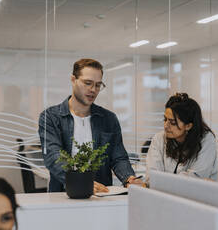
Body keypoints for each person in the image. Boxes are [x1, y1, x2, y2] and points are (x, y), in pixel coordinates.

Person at [38, 58, 144, 192]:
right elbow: (54, 158)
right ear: (73, 80)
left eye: (98, 85)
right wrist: (81, 182)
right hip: (63, 194)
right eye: (88, 83)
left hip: (101, 195)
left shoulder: (108, 119)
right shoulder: (51, 117)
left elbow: (118, 157)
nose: (93, 90)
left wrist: (129, 178)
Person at [146, 93, 218, 184]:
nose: (165, 126)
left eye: (172, 122)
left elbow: (195, 178)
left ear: (188, 126)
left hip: (195, 197)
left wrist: (163, 181)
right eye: (165, 119)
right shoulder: (159, 139)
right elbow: (152, 177)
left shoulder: (206, 140)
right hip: (164, 196)